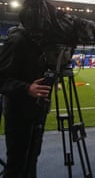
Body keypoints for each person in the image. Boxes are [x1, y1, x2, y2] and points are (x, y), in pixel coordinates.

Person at [0, 25, 51, 177]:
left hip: (38, 111)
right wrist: (27, 88)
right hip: (18, 113)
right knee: (17, 164)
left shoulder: (41, 44)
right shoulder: (17, 41)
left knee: (32, 159)